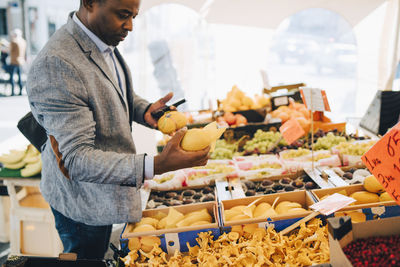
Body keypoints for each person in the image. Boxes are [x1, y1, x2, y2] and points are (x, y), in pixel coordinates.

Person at [26, 0, 209, 260]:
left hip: (106, 193)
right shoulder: (57, 63)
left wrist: (144, 110)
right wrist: (156, 165)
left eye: (134, 16)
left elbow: (110, 91)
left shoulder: (101, 39)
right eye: (123, 15)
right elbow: (76, 158)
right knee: (90, 255)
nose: (131, 26)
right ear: (89, 3)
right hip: (83, 203)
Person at [9, 29, 26, 96]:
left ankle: (12, 92)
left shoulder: (14, 42)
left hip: (14, 61)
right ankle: (20, 91)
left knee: (12, 77)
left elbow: (9, 50)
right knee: (19, 77)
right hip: (21, 61)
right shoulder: (23, 41)